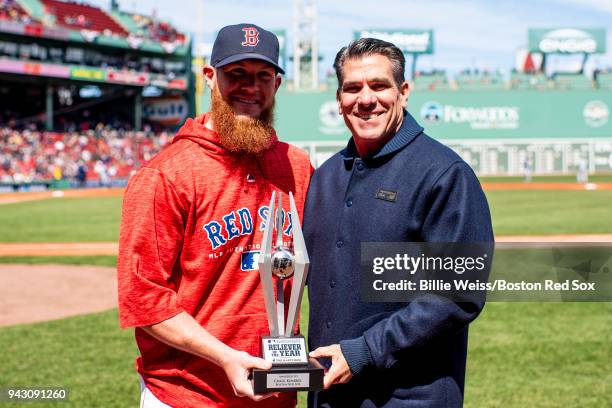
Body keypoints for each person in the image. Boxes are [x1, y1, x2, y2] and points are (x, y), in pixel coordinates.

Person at [117, 23, 312, 407]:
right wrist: (225, 357)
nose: (250, 88)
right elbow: (144, 300)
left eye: (263, 76)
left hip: (277, 393)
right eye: (235, 74)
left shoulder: (297, 166)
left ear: (277, 84)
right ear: (209, 77)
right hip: (188, 395)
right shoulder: (165, 175)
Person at [303, 38, 494, 407]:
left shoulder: (444, 174)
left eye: (379, 85)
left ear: (403, 93)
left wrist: (363, 353)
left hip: (410, 397)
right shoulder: (325, 177)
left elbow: (458, 293)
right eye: (353, 88)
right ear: (339, 99)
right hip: (330, 396)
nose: (366, 99)